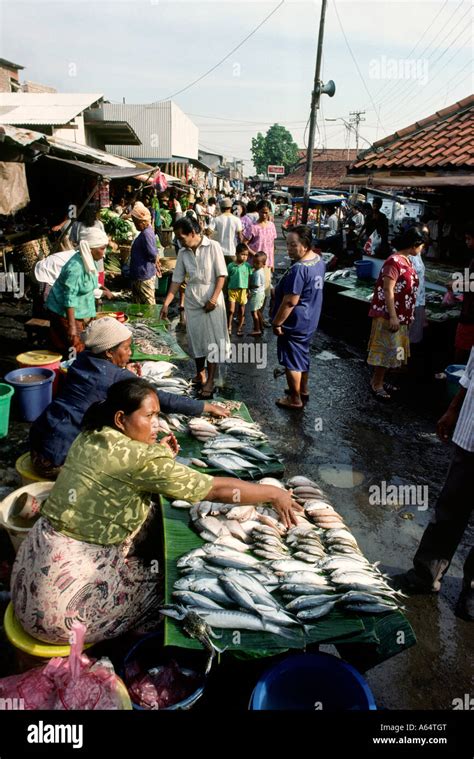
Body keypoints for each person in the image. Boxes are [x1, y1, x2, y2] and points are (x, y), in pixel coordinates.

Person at [12, 379, 302, 645]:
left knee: (147, 516)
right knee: (174, 589)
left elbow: (124, 471)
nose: (157, 424)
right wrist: (273, 493)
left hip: (29, 575)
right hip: (57, 611)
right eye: (149, 416)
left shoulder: (92, 435)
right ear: (120, 419)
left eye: (158, 415)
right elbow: (214, 490)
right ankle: (139, 639)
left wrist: (158, 454)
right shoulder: (141, 460)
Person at [29, 317, 229, 479]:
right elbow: (160, 399)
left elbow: (100, 380)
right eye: (125, 348)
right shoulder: (116, 376)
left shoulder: (81, 361)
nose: (130, 353)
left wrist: (123, 369)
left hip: (38, 441)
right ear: (108, 352)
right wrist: (206, 407)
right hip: (57, 461)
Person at [393, 347, 474, 621]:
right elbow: (469, 372)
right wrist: (453, 409)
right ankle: (425, 574)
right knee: (449, 509)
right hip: (470, 436)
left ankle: (472, 589)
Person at [161, 216, 230, 399]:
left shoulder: (213, 247)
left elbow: (221, 275)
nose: (179, 241)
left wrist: (214, 299)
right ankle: (201, 374)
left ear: (193, 233)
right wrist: (166, 303)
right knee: (196, 339)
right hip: (193, 300)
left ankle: (211, 380)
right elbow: (176, 280)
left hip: (211, 298)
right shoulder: (183, 253)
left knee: (212, 341)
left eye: (181, 237)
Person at [367, 226, 425, 400]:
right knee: (385, 351)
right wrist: (393, 315)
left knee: (394, 351)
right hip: (389, 315)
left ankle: (382, 380)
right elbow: (387, 289)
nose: (422, 248)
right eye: (421, 245)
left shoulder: (407, 260)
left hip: (401, 315)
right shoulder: (394, 261)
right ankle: (376, 383)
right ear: (414, 245)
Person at [272, 226, 325, 409]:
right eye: (287, 245)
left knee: (292, 360)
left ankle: (295, 399)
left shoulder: (299, 269)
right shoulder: (318, 260)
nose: (289, 249)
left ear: (305, 244)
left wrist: (277, 322)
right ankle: (303, 389)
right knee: (302, 354)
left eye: (293, 245)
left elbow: (289, 302)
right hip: (311, 318)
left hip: (296, 321)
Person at [46, 227, 111, 356]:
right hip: (63, 313)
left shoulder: (87, 260)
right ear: (90, 249)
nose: (104, 253)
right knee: (74, 347)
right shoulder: (75, 267)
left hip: (77, 312)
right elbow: (69, 298)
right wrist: (72, 327)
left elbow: (87, 283)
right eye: (102, 248)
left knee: (79, 344)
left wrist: (103, 289)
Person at [129, 201, 161, 305]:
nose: (135, 225)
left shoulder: (146, 233)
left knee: (149, 305)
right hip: (139, 275)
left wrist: (156, 259)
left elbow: (152, 253)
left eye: (136, 223)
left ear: (142, 222)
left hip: (144, 276)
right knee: (138, 306)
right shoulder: (145, 233)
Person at [453, 225, 474, 364]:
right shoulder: (472, 258)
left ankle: (458, 375)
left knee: (462, 348)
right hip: (468, 307)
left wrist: (456, 285)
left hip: (471, 313)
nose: (466, 242)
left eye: (469, 239)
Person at [227, 242, 252, 336]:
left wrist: (248, 289)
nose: (245, 257)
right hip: (232, 290)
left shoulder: (247, 266)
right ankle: (229, 326)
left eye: (246, 255)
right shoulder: (231, 266)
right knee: (231, 310)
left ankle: (240, 328)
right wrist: (226, 289)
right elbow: (227, 278)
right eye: (242, 254)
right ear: (236, 254)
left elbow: (249, 278)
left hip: (243, 290)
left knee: (242, 310)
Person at [409, 239, 426, 345]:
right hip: (411, 302)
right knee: (407, 336)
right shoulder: (408, 257)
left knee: (414, 335)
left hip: (419, 300)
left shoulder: (418, 255)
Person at [248, 252, 267, 337]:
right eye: (254, 262)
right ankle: (261, 326)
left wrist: (247, 285)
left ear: (263, 264)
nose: (254, 264)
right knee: (258, 311)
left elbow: (256, 285)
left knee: (254, 312)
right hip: (260, 293)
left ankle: (257, 329)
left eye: (257, 263)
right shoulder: (260, 270)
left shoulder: (257, 273)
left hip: (256, 294)